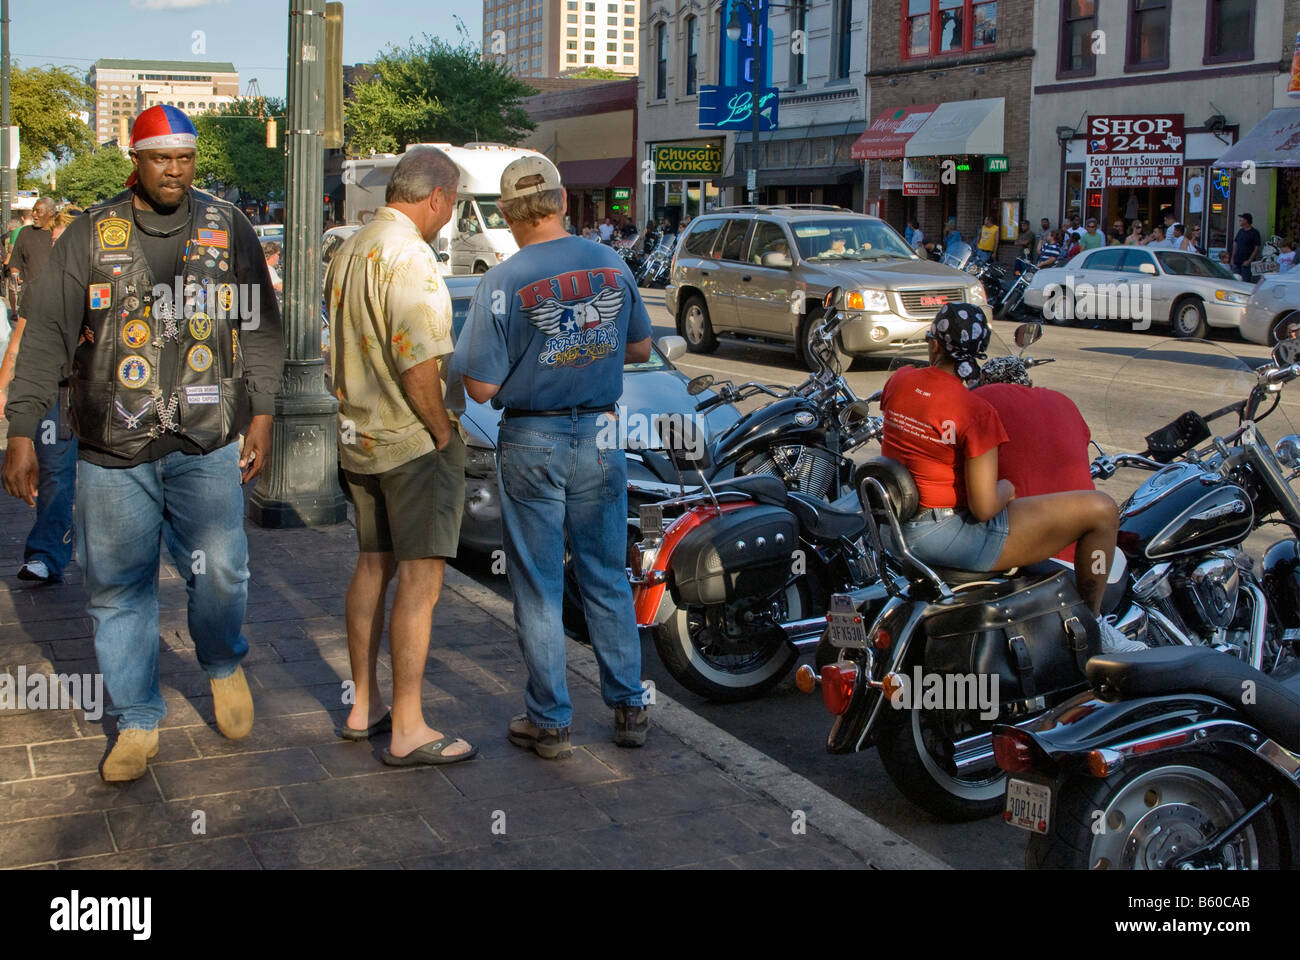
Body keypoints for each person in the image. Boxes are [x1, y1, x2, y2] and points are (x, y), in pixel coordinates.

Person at [1, 104, 284, 782]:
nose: (176, 170)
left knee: (221, 571)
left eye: (185, 157)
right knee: (118, 589)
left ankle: (220, 662)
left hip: (206, 439)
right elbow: (43, 336)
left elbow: (262, 328)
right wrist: (19, 429)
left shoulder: (227, 225)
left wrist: (265, 412)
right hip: (111, 447)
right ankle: (135, 719)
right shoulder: (89, 235)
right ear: (136, 158)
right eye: (161, 158)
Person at [453, 155, 653, 759]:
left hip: (532, 439)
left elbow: (480, 389)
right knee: (605, 575)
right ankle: (629, 709)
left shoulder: (503, 280)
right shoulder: (611, 263)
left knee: (539, 585)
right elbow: (641, 347)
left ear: (508, 215)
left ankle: (552, 721)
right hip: (599, 436)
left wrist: (534, 359)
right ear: (564, 202)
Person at [325, 147, 476, 766]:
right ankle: (408, 727)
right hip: (409, 443)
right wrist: (442, 432)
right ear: (437, 196)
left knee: (371, 567)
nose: (450, 216)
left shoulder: (353, 246)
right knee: (420, 583)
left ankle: (364, 705)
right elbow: (419, 361)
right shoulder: (410, 254)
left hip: (359, 438)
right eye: (455, 204)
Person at [878, 304, 1137, 651]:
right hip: (945, 534)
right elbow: (985, 508)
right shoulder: (976, 412)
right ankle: (1093, 625)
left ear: (935, 345)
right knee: (1103, 510)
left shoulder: (899, 381)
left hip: (895, 527)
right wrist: (1007, 488)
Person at [0, 205, 79, 584]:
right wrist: (3, 389)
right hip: (55, 394)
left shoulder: (115, 284)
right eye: (59, 242)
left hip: (106, 397)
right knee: (55, 474)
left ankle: (115, 556)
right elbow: (18, 345)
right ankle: (46, 554)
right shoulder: (39, 290)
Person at [976, 356, 1095, 564]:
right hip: (1082, 544)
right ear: (1028, 383)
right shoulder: (1063, 401)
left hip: (1023, 545)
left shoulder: (982, 400)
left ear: (984, 383)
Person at [1231, 213, 1262, 282]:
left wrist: (1249, 260)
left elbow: (1257, 248)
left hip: (1246, 263)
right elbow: (1235, 244)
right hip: (1236, 262)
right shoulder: (1240, 231)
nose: (1239, 221)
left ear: (1246, 221)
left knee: (1245, 282)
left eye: (1241, 219)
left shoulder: (1254, 232)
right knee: (1234, 281)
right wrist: (1232, 258)